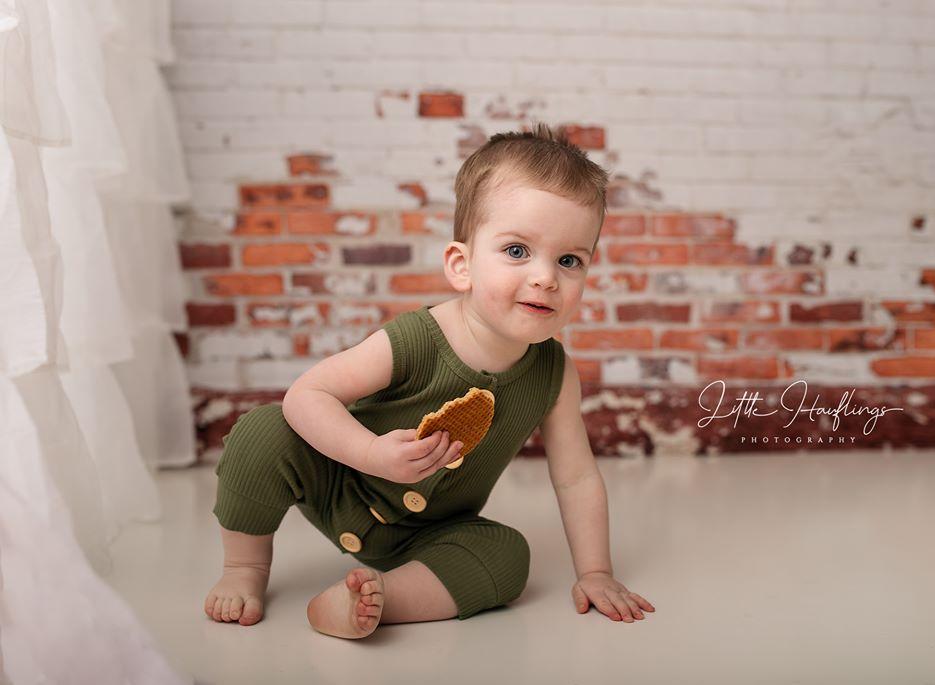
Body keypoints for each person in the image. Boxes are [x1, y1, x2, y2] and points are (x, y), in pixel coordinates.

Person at [203, 122, 656, 639]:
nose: (546, 277)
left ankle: (375, 599)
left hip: (429, 531)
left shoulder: (554, 374)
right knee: (264, 430)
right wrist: (370, 454)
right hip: (340, 483)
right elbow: (307, 395)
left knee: (508, 555)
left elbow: (575, 477)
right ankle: (245, 569)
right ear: (461, 266)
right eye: (516, 251)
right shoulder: (416, 340)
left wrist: (595, 571)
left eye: (569, 260)